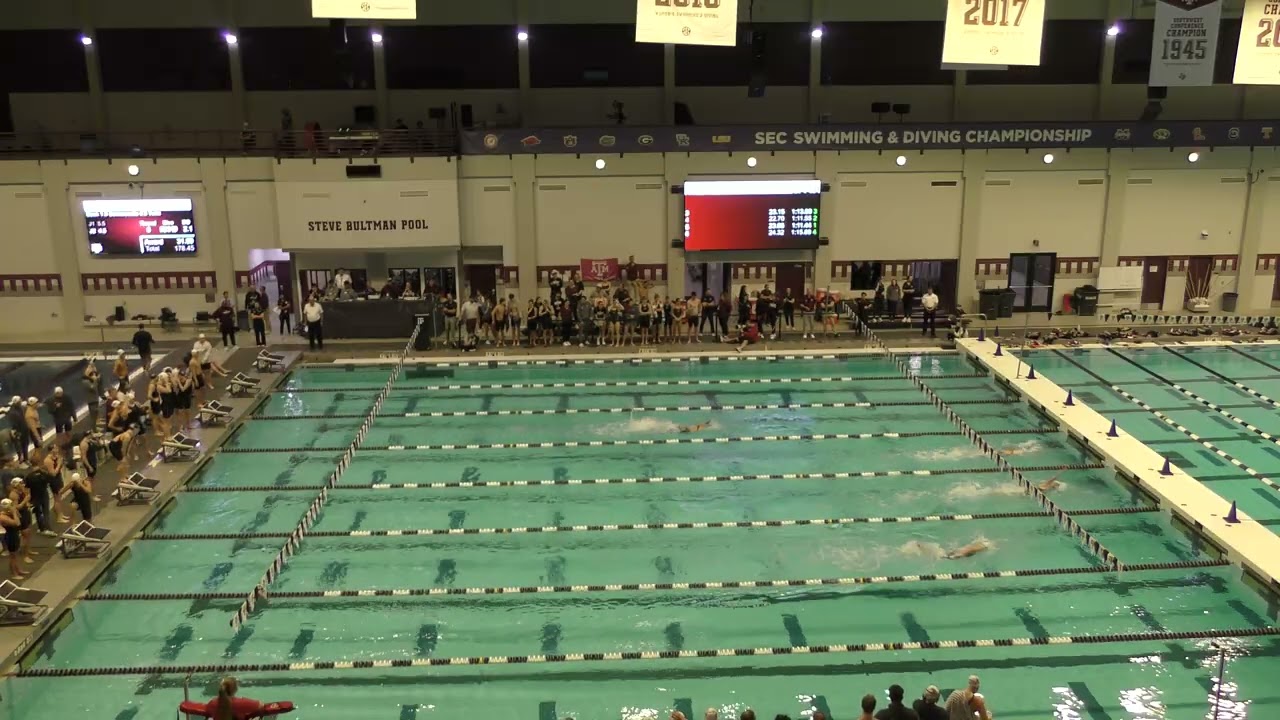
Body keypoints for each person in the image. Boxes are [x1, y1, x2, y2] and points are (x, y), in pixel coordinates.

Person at [0, 498, 24, 579]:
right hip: (10, 537)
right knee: (12, 556)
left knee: (15, 555)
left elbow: (20, 517)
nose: (13, 507)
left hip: (15, 535)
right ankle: (14, 574)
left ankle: (18, 570)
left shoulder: (9, 513)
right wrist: (13, 512)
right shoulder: (2, 517)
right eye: (11, 505)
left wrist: (14, 511)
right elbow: (17, 523)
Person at [83, 363, 103, 429]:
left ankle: (95, 428)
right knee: (93, 417)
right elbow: (93, 387)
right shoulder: (86, 382)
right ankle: (93, 430)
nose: (94, 376)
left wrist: (97, 379)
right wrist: (95, 380)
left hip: (95, 399)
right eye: (93, 375)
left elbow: (97, 383)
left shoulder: (90, 381)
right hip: (92, 401)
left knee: (95, 415)